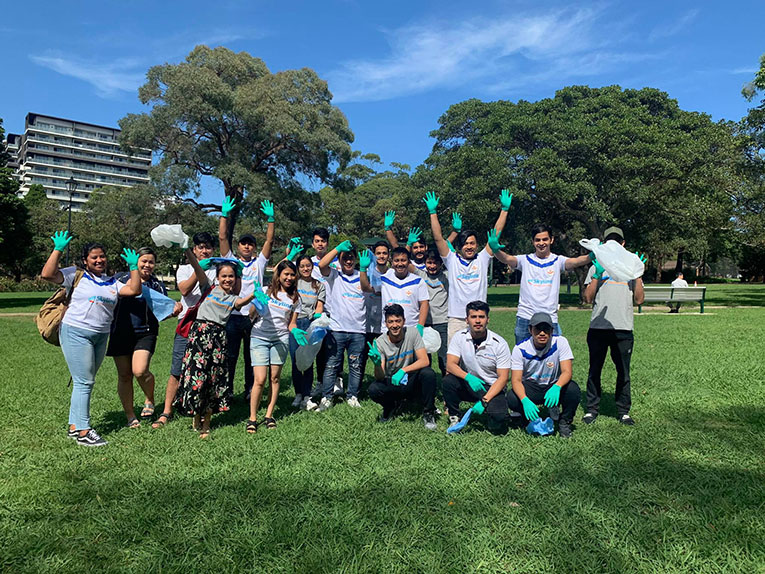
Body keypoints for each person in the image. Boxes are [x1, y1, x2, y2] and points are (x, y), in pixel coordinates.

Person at [41, 232, 142, 447]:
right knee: (84, 382)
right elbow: (47, 274)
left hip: (101, 336)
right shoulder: (76, 275)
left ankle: (74, 426)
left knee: (83, 381)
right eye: (94, 257)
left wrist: (134, 267)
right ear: (85, 260)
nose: (99, 260)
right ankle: (84, 431)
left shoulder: (112, 282)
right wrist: (58, 249)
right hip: (76, 332)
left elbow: (134, 289)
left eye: (102, 256)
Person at [174, 249, 254, 438]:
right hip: (199, 337)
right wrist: (186, 250)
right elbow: (197, 268)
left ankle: (207, 422)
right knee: (197, 378)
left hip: (218, 339)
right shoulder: (208, 288)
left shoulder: (233, 298)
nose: (227, 279)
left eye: (231, 276)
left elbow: (241, 302)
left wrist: (254, 294)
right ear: (217, 278)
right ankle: (196, 414)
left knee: (213, 380)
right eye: (224, 276)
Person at [107, 247, 182, 428]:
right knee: (124, 375)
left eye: (151, 262)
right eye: (144, 261)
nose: (147, 265)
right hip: (120, 332)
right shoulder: (119, 279)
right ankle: (130, 416)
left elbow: (161, 312)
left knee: (140, 371)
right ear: (136, 262)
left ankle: (149, 398)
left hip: (146, 332)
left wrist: (173, 312)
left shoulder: (157, 285)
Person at [428, 190, 511, 342]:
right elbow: (438, 238)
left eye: (472, 243)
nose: (469, 247)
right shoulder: (451, 260)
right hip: (456, 318)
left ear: (477, 245)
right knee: (454, 355)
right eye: (465, 244)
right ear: (459, 247)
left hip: (478, 317)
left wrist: (504, 210)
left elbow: (496, 233)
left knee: (480, 354)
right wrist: (433, 213)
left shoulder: (483, 258)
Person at [489, 223, 592, 344]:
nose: (541, 243)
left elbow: (577, 261)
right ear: (533, 241)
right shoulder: (525, 260)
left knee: (554, 354)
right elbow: (507, 258)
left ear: (551, 240)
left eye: (545, 239)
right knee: (522, 353)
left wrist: (593, 255)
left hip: (550, 318)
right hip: (525, 317)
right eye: (537, 240)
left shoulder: (558, 261)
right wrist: (496, 250)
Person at [582, 227, 645, 426]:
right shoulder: (597, 264)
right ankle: (592, 409)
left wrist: (638, 275)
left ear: (623, 244)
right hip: (598, 328)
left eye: (617, 241)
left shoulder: (631, 266)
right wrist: (596, 276)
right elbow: (587, 298)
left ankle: (623, 411)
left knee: (623, 372)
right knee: (595, 370)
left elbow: (639, 300)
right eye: (611, 240)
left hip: (623, 328)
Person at [218, 196, 275, 399]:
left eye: (250, 244)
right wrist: (224, 216)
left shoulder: (259, 263)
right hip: (233, 315)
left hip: (253, 317)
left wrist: (271, 220)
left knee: (252, 357)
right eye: (243, 243)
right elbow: (222, 239)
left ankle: (250, 390)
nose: (247, 246)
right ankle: (227, 391)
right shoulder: (232, 261)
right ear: (239, 246)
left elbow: (269, 241)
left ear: (254, 248)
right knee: (230, 356)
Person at [247, 259, 305, 431]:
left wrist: (295, 330)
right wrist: (256, 301)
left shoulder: (296, 298)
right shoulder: (267, 291)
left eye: (292, 275)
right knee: (260, 379)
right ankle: (252, 418)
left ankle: (269, 415)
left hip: (280, 340)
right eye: (286, 274)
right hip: (259, 337)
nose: (289, 278)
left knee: (275, 378)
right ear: (278, 275)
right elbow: (251, 315)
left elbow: (291, 323)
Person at [506, 312, 580, 437]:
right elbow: (516, 380)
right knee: (512, 397)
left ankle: (564, 422)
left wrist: (557, 387)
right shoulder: (520, 349)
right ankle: (527, 419)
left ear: (552, 330)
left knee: (573, 390)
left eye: (546, 329)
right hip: (531, 386)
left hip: (552, 385)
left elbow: (567, 372)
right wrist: (525, 400)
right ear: (530, 330)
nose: (542, 333)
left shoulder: (560, 342)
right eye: (538, 329)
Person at [443, 301, 512, 435]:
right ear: (467, 320)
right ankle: (454, 416)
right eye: (473, 317)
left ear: (488, 320)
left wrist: (485, 401)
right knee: (448, 381)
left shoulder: (499, 343)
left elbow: (503, 378)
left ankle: (491, 414)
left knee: (499, 419)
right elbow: (450, 365)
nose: (478, 321)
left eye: (481, 317)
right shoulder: (459, 337)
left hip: (492, 387)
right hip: (470, 383)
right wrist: (468, 377)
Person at [367, 304, 438, 430]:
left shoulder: (412, 333)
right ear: (386, 323)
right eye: (391, 322)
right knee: (374, 389)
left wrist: (403, 370)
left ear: (404, 321)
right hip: (393, 381)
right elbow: (380, 377)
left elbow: (424, 360)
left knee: (428, 373)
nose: (394, 325)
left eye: (398, 321)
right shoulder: (380, 343)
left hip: (411, 379)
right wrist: (377, 364)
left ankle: (428, 413)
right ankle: (390, 406)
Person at [318, 240, 367, 410]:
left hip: (358, 330)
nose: (348, 260)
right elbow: (321, 265)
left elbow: (368, 287)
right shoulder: (334, 275)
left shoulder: (361, 276)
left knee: (355, 365)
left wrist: (364, 269)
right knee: (331, 365)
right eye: (344, 258)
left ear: (356, 259)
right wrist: (338, 248)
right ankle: (327, 397)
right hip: (337, 329)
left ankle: (352, 396)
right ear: (339, 260)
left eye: (351, 257)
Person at [359, 246, 429, 334]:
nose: (400, 264)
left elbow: (424, 303)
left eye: (403, 260)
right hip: (388, 331)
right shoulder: (384, 279)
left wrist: (420, 326)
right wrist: (363, 270)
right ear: (392, 262)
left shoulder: (418, 281)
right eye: (396, 260)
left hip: (411, 329)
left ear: (409, 262)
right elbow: (366, 288)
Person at [290, 254, 325, 410]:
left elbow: (319, 306)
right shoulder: (293, 282)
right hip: (295, 323)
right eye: (302, 266)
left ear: (312, 266)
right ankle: (298, 393)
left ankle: (307, 395)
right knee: (295, 360)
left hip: (309, 323)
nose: (305, 269)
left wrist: (317, 317)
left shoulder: (318, 285)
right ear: (298, 268)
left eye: (308, 265)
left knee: (308, 360)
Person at [412, 248, 449, 376]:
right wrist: (409, 244)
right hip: (424, 323)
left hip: (442, 322)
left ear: (440, 263)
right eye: (429, 262)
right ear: (425, 263)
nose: (432, 266)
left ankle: (446, 383)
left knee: (444, 357)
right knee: (424, 358)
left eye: (435, 263)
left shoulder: (446, 276)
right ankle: (425, 383)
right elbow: (403, 260)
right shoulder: (420, 275)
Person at [358, 241, 389, 386]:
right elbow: (365, 287)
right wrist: (363, 269)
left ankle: (386, 383)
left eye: (384, 253)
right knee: (363, 355)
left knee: (386, 355)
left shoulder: (392, 273)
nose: (381, 256)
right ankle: (357, 386)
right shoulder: (368, 271)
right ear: (374, 255)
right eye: (378, 253)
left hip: (385, 323)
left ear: (388, 255)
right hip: (368, 322)